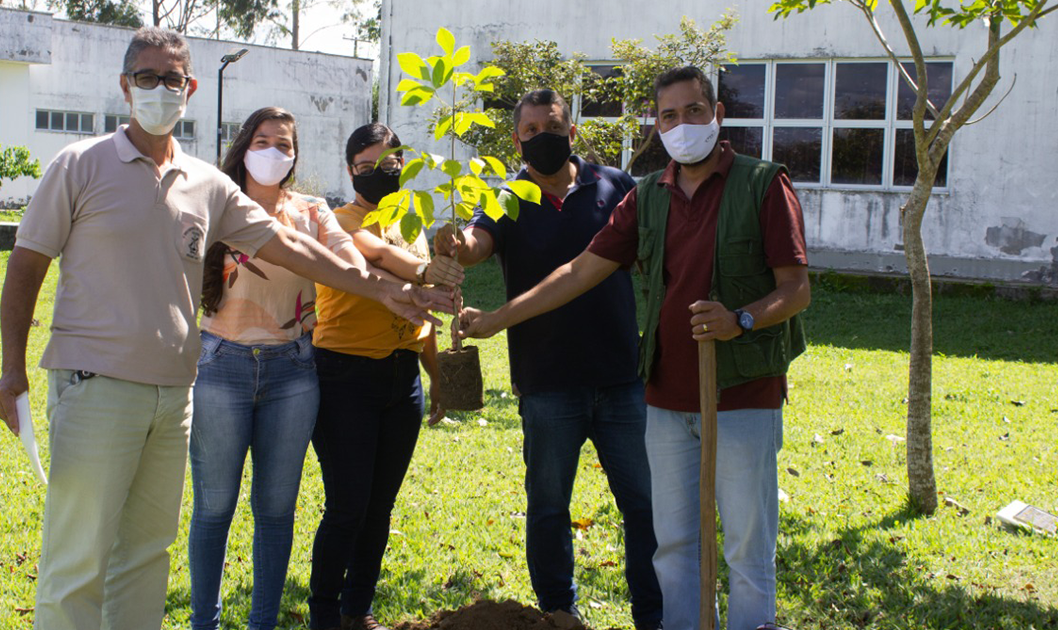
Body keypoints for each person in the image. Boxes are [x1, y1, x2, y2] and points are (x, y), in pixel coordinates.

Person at [0, 28, 449, 630]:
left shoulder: (208, 184)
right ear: (125, 86)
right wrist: (11, 367)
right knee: (79, 557)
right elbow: (26, 264)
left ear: (190, 89)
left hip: (175, 393)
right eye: (146, 78)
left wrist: (383, 287)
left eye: (172, 79)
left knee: (147, 555)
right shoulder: (79, 165)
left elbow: (288, 245)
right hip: (94, 384)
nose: (159, 89)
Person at [459, 66, 811, 630]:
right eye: (669, 115)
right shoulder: (648, 195)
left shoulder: (761, 183)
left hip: (736, 390)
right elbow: (578, 272)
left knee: (745, 545)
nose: (682, 124)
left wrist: (740, 320)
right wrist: (497, 315)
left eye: (694, 111)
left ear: (716, 115)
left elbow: (796, 289)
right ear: (657, 124)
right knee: (671, 543)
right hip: (664, 395)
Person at [434, 88, 662, 630]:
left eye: (552, 126)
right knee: (549, 507)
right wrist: (454, 241)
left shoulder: (615, 186)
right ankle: (559, 615)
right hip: (547, 383)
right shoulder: (506, 197)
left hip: (621, 378)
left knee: (645, 505)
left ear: (573, 131)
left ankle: (653, 615)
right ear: (517, 141)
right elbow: (477, 243)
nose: (543, 138)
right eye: (531, 130)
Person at [188, 107, 367, 630]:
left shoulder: (312, 211)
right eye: (262, 140)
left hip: (293, 373)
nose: (273, 152)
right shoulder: (217, 205)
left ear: (295, 154)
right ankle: (205, 622)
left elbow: (348, 260)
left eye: (284, 144)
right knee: (214, 507)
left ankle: (261, 623)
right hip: (221, 365)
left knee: (274, 511)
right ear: (244, 146)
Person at [307, 122, 463, 630]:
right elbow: (376, 256)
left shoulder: (410, 223)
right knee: (348, 504)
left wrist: (436, 377)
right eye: (366, 167)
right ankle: (325, 614)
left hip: (402, 382)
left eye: (390, 164)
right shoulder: (337, 221)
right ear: (350, 170)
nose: (379, 174)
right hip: (345, 376)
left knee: (379, 507)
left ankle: (358, 611)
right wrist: (423, 272)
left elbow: (426, 316)